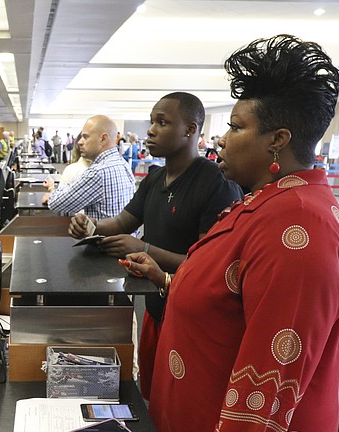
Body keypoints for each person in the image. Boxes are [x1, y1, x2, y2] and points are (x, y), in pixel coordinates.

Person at [91, 35, 339, 432]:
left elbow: (274, 372)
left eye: (235, 127)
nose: (223, 139)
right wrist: (168, 278)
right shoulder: (265, 203)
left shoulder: (298, 225)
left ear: (277, 139)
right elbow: (230, 300)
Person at [69, 93, 242, 399]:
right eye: (151, 122)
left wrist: (144, 249)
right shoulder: (154, 179)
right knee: (153, 395)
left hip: (193, 315)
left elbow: (207, 263)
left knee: (182, 401)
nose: (150, 130)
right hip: (156, 305)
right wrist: (90, 227)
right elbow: (122, 222)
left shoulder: (216, 183)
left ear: (190, 129)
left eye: (162, 122)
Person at [44, 115, 134, 219]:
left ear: (103, 139)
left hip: (102, 235)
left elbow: (57, 204)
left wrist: (53, 188)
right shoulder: (123, 164)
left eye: (85, 137)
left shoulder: (98, 172)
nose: (79, 142)